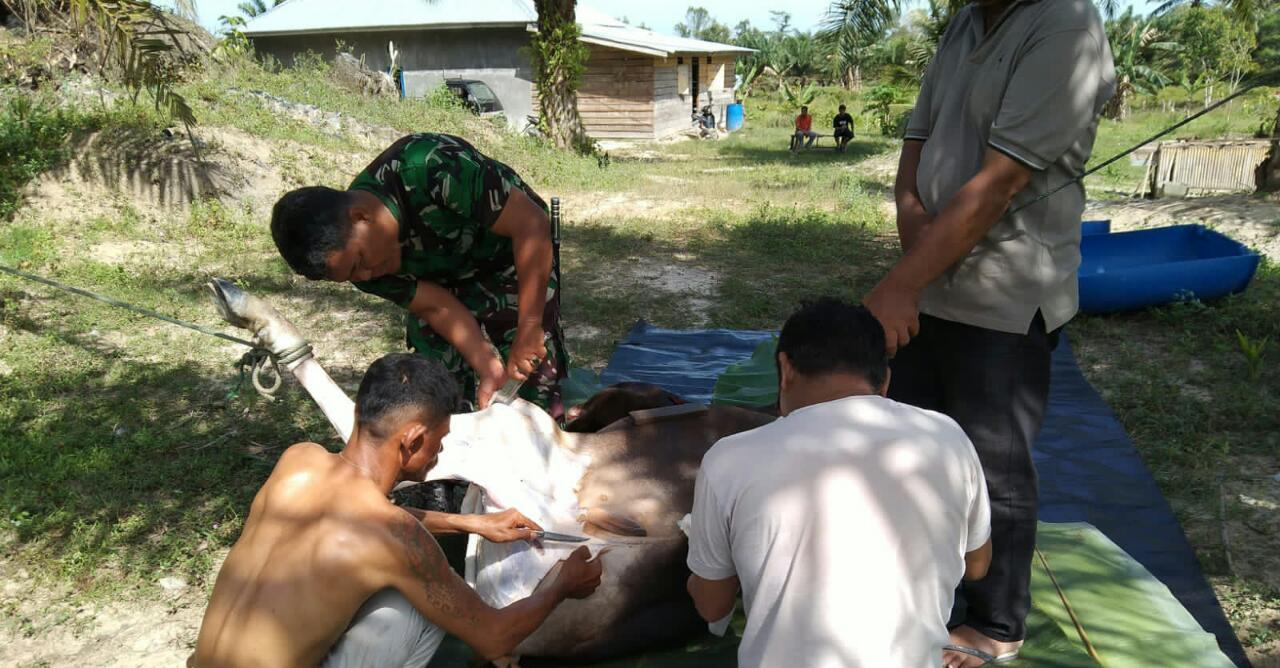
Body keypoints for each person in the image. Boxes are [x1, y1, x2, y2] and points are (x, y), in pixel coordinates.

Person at [861, 0, 1115, 663]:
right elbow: (917, 142)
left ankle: (997, 623)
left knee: (989, 467)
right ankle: (918, 593)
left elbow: (1000, 183)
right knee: (910, 446)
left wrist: (902, 283)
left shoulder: (1065, 26)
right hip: (932, 278)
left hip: (1006, 299)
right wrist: (912, 227)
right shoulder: (967, 21)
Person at [189, 353, 603, 668]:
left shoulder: (298, 461)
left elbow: (358, 522)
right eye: (439, 441)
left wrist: (471, 522)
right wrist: (561, 583)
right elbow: (494, 637)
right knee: (415, 610)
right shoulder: (396, 539)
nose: (440, 452)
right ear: (412, 441)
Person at [685, 298, 992, 668]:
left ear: (784, 370)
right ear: (885, 382)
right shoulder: (946, 435)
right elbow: (977, 565)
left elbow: (711, 605)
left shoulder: (730, 458)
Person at [270, 133, 567, 420]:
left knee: (533, 379)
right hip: (440, 278)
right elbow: (437, 306)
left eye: (360, 262)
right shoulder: (356, 266)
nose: (366, 276)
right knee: (435, 388)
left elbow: (531, 225)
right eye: (351, 275)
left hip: (510, 258)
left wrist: (529, 326)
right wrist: (489, 369)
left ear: (360, 216)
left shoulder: (428, 167)